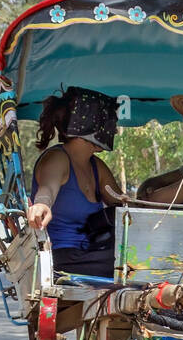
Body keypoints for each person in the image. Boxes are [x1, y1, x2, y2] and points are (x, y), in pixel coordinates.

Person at [27, 87, 122, 278]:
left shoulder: (96, 166)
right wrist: (42, 204)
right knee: (128, 262)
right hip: (62, 258)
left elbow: (122, 204)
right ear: (91, 125)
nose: (114, 131)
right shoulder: (57, 158)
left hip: (92, 253)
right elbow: (47, 189)